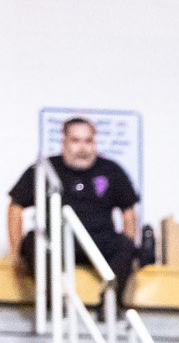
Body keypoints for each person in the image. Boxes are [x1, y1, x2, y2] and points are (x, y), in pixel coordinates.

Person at [7, 118, 141, 307]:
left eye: (88, 141)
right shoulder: (45, 169)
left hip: (100, 243)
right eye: (76, 141)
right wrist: (14, 254)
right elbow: (15, 207)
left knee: (126, 244)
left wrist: (131, 251)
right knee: (33, 242)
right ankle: (54, 305)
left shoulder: (111, 170)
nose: (83, 148)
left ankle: (109, 306)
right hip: (57, 242)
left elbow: (128, 211)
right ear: (64, 142)